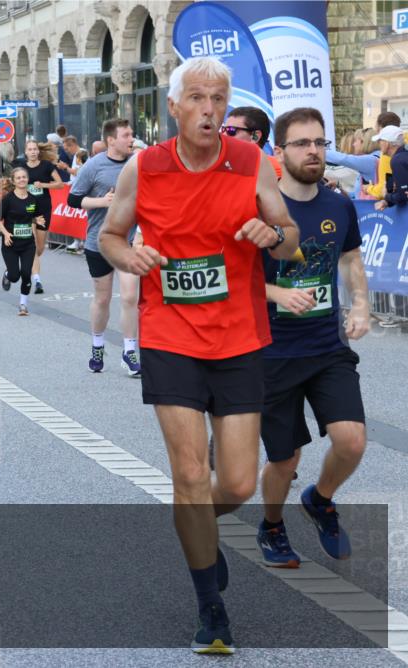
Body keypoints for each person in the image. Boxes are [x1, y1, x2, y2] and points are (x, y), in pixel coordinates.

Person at [98, 56, 299, 654]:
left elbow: (288, 235)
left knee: (234, 481)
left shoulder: (254, 163)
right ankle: (210, 607)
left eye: (218, 99)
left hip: (239, 336)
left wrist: (273, 236)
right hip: (171, 336)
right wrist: (125, 255)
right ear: (175, 106)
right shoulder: (145, 167)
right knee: (189, 475)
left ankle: (200, 526)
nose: (209, 110)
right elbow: (110, 234)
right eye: (198, 99)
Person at [255, 106, 370, 569]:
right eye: (303, 143)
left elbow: (349, 259)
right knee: (284, 459)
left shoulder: (338, 203)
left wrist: (360, 305)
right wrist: (277, 292)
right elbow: (234, 279)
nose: (314, 151)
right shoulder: (259, 209)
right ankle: (272, 524)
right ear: (279, 151)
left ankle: (320, 499)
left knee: (352, 441)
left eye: (320, 143)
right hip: (272, 353)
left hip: (326, 347)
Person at [68, 118, 140, 376]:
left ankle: (129, 352)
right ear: (111, 140)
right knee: (103, 298)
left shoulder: (137, 164)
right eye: (126, 135)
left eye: (131, 134)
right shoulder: (93, 166)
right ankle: (97, 345)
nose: (131, 139)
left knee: (131, 296)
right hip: (98, 241)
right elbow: (73, 200)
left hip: (128, 242)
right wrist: (103, 201)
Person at [0, 166, 48, 315]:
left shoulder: (33, 199)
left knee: (26, 273)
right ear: (13, 181)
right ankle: (7, 275)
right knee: (14, 276)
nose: (22, 180)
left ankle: (23, 305)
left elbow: (35, 217)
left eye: (24, 177)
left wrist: (38, 220)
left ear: (28, 179)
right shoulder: (8, 199)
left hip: (27, 244)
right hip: (10, 244)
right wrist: (6, 234)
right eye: (18, 178)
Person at [17, 139, 63, 293]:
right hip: (27, 209)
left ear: (38, 151)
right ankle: (37, 280)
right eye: (29, 149)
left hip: (43, 208)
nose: (33, 152)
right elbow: (12, 184)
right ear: (26, 152)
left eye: (35, 149)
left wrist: (43, 185)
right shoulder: (21, 167)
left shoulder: (46, 166)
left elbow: (60, 184)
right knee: (33, 244)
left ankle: (26, 264)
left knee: (40, 247)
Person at [221, 106, 281, 178]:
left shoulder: (273, 169)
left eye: (231, 130)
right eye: (223, 129)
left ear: (255, 136)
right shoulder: (224, 168)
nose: (223, 135)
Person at [373, 125, 406, 210]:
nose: (378, 143)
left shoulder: (397, 160)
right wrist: (387, 202)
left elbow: (403, 195)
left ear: (387, 143)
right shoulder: (402, 156)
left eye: (380, 140)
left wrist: (386, 196)